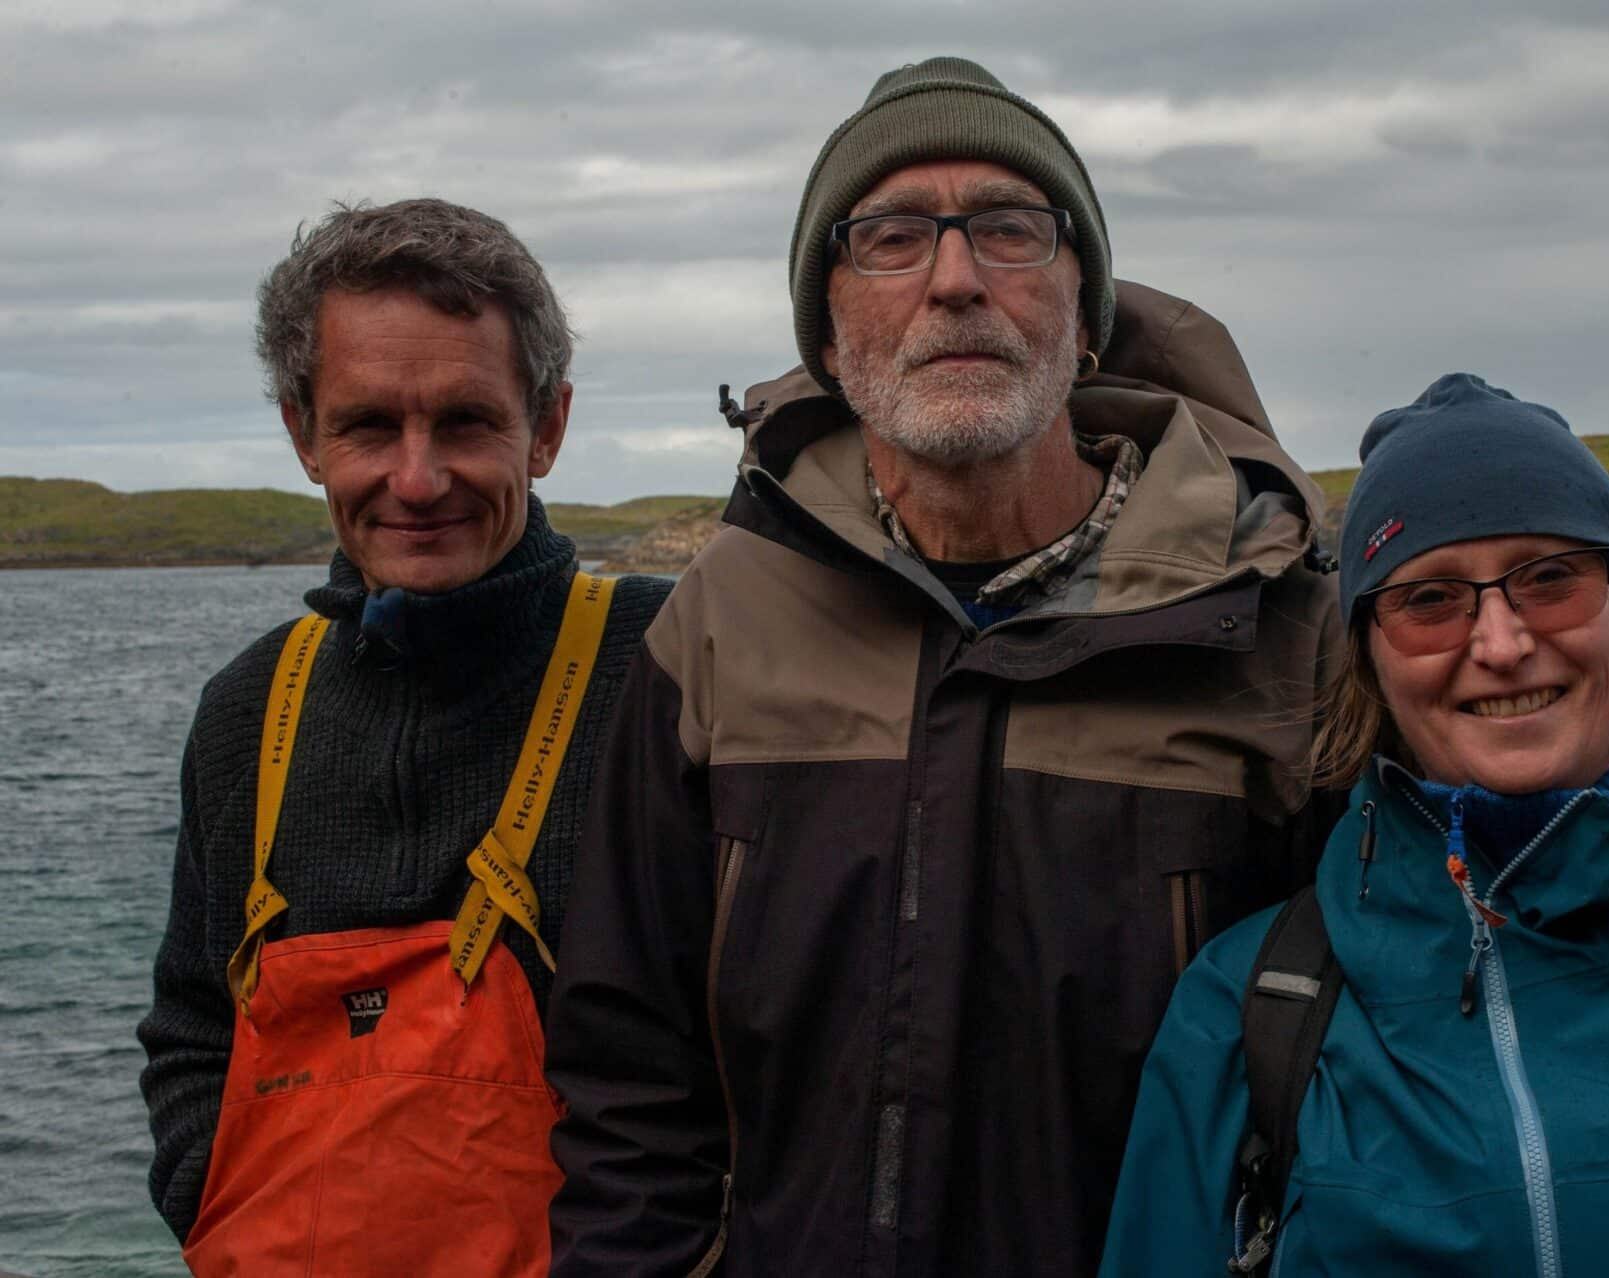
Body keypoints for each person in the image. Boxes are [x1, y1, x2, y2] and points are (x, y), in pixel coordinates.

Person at [544, 56, 1344, 1276]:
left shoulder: (1272, 625)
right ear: (827, 322)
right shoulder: (720, 621)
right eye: (892, 236)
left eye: (1011, 231)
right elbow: (628, 1074)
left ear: (1084, 311)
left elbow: (1369, 1064)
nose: (957, 280)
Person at [1100, 372, 1609, 1277]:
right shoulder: (1251, 1008)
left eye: (1551, 578)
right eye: (1429, 600)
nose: (1499, 644)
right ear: (1369, 656)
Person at [135, 197, 672, 1275]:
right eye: (370, 426)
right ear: (303, 435)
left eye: (467, 422)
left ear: (550, 427)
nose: (417, 481)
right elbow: (193, 1033)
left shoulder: (671, 666)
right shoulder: (246, 710)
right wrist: (223, 1214)